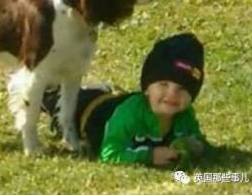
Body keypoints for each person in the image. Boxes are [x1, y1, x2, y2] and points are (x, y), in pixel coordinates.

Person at [42, 33, 207, 168]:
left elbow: (197, 141)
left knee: (110, 98)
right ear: (147, 89)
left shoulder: (184, 115)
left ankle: (104, 90)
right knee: (60, 104)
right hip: (90, 111)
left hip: (117, 101)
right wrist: (150, 155)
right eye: (163, 84)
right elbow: (110, 153)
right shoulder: (129, 115)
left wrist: (187, 146)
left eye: (182, 89)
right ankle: (47, 90)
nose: (172, 94)